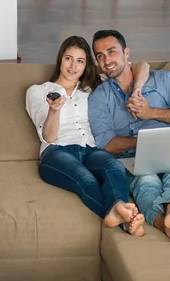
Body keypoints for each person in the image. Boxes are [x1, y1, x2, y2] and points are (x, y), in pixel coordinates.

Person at [88, 30, 170, 245]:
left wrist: (152, 113)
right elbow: (106, 143)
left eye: (111, 52)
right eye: (100, 55)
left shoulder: (162, 80)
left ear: (126, 53)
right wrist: (145, 143)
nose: (106, 60)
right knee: (146, 181)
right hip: (130, 156)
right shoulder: (99, 97)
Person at [25, 35, 150, 236]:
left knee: (115, 167)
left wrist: (138, 89)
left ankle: (119, 210)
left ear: (86, 66)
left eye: (80, 61)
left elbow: (140, 65)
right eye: (69, 58)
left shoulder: (93, 87)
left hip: (90, 150)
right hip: (56, 153)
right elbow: (48, 137)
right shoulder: (38, 91)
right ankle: (122, 218)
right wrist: (54, 111)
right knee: (87, 180)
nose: (73, 66)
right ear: (60, 59)